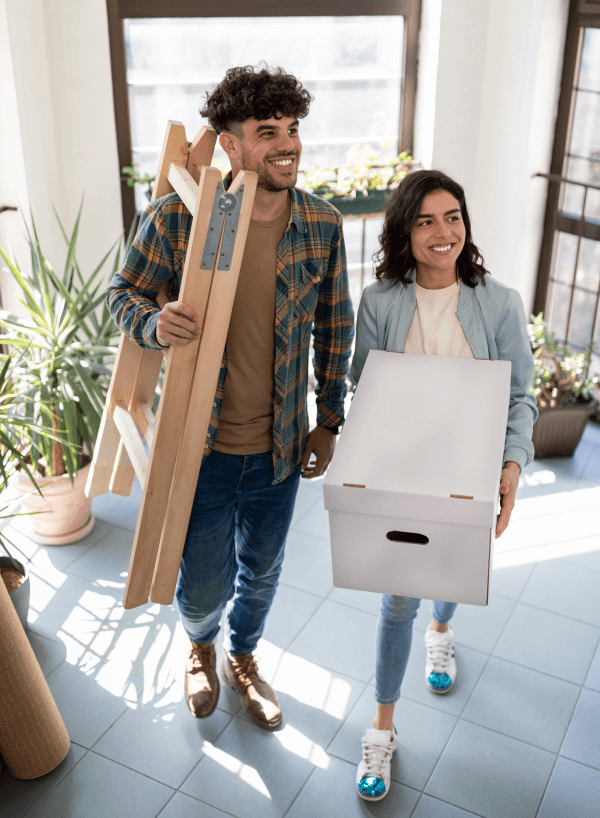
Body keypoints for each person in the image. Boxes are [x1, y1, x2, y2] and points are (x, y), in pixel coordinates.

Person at [106, 64, 354, 730]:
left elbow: (336, 327)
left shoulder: (322, 226)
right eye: (266, 130)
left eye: (294, 129)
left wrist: (328, 422)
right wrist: (154, 323)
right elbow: (121, 295)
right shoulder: (181, 219)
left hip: (279, 452)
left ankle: (244, 657)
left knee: (263, 571)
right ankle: (199, 644)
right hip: (202, 449)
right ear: (231, 145)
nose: (287, 144)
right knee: (205, 582)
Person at [349, 169, 537, 801]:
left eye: (452, 216)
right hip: (403, 475)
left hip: (470, 477)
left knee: (451, 579)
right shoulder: (380, 301)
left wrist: (511, 467)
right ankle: (381, 726)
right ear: (405, 229)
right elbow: (362, 388)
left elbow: (520, 397)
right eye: (426, 220)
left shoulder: (500, 302)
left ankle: (442, 633)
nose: (443, 232)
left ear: (466, 223)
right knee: (398, 599)